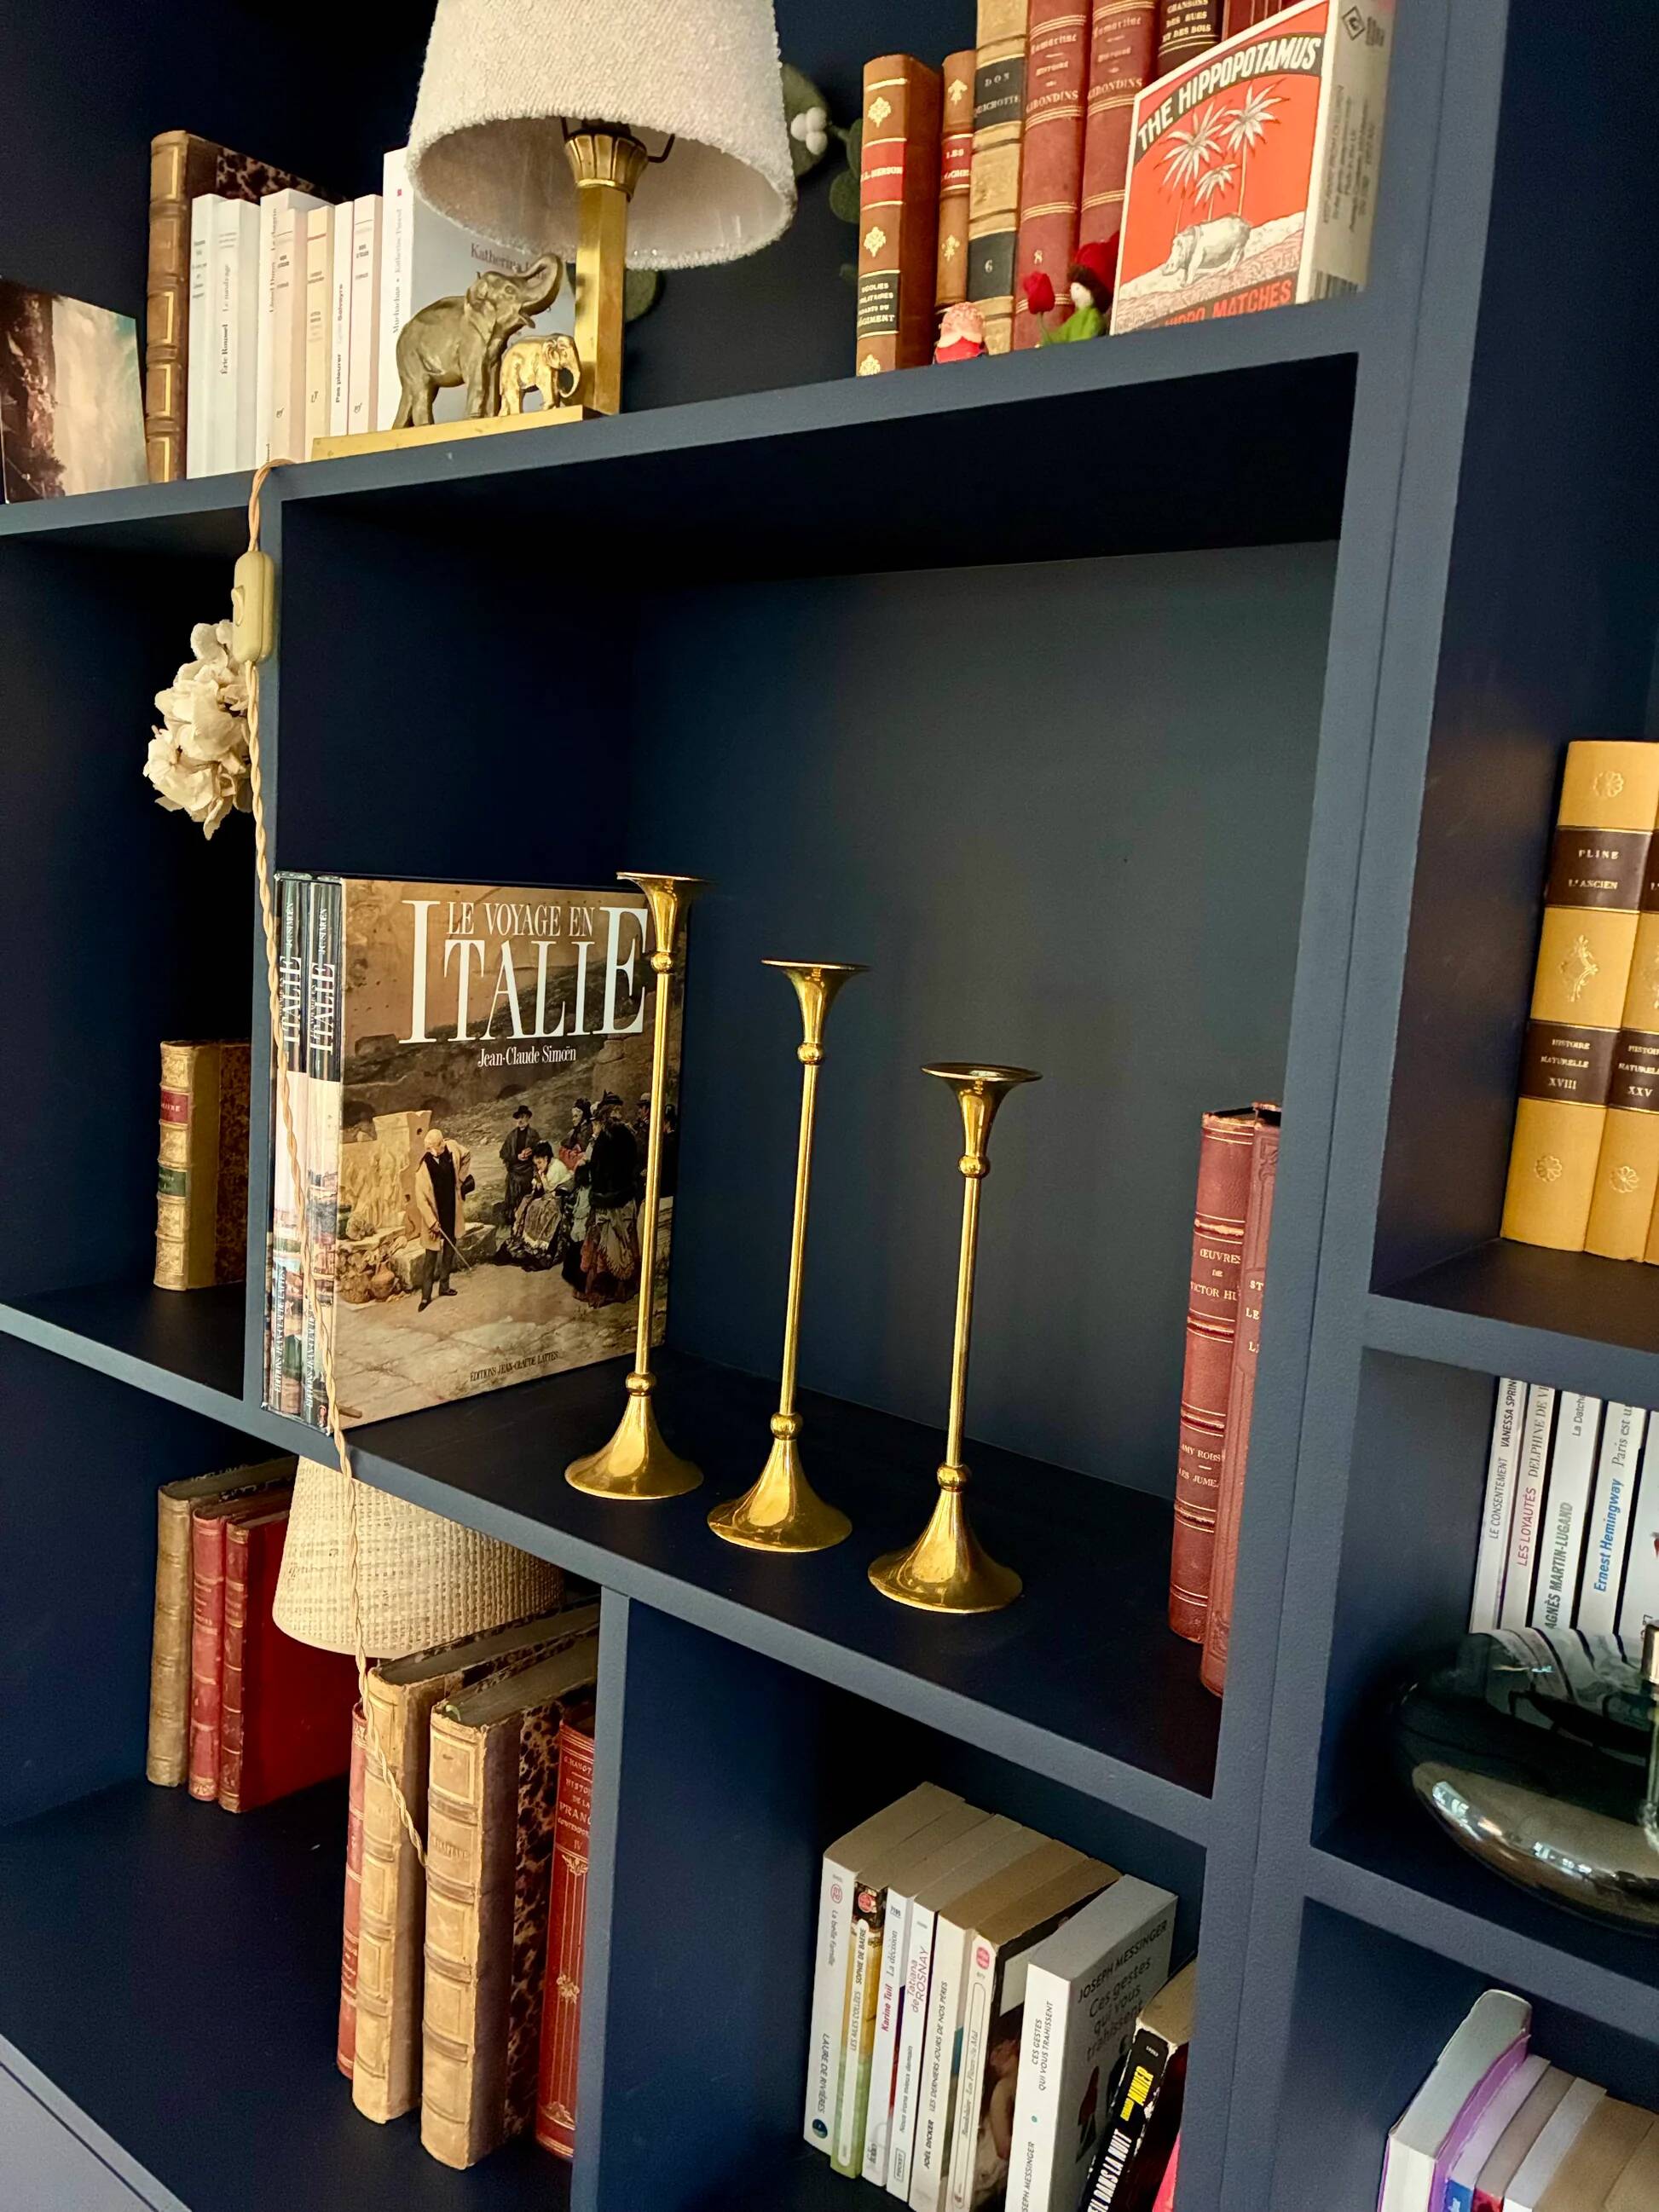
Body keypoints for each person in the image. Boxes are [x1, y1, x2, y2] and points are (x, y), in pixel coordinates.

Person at [575, 1092, 641, 1307]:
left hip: (608, 1199)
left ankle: (609, 1287)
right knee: (620, 1241)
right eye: (615, 1110)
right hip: (621, 1196)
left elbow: (598, 1167)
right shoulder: (627, 1134)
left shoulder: (606, 1137)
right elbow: (634, 1163)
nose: (616, 1114)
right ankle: (620, 1284)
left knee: (606, 1242)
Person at [410, 1124, 471, 1311]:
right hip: (435, 1216)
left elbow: (467, 1154)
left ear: (440, 1144)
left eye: (432, 1147)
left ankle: (444, 1286)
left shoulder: (452, 1148)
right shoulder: (423, 1168)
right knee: (430, 1257)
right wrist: (431, 1222)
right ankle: (426, 1297)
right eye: (427, 1148)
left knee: (449, 1250)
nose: (430, 1151)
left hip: (451, 1209)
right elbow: (421, 1201)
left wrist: (460, 1180)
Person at [498, 1102, 540, 1225]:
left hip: (528, 1171)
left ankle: (526, 1221)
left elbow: (541, 1150)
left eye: (523, 1117)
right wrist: (516, 1157)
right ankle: (514, 1221)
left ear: (528, 1118)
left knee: (528, 1195)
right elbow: (503, 1153)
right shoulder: (511, 1136)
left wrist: (531, 1152)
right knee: (513, 1195)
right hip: (515, 1170)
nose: (521, 1120)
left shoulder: (534, 1135)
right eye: (519, 1117)